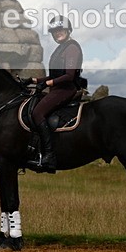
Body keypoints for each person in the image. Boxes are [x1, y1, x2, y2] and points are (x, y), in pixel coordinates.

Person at [24, 16, 84, 172]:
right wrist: (35, 80)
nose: (58, 33)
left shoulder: (72, 48)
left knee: (38, 112)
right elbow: (55, 75)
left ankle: (49, 156)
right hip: (57, 88)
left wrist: (49, 83)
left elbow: (69, 76)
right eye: (55, 31)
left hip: (66, 89)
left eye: (60, 30)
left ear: (68, 30)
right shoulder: (61, 48)